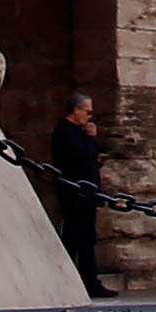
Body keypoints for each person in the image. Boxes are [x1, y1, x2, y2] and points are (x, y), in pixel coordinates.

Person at [46, 91, 114, 300]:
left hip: (85, 194)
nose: (89, 117)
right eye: (88, 112)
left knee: (85, 240)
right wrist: (91, 139)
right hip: (75, 195)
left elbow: (90, 158)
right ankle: (75, 280)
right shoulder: (65, 133)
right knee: (75, 239)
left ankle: (89, 281)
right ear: (76, 110)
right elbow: (82, 159)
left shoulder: (76, 132)